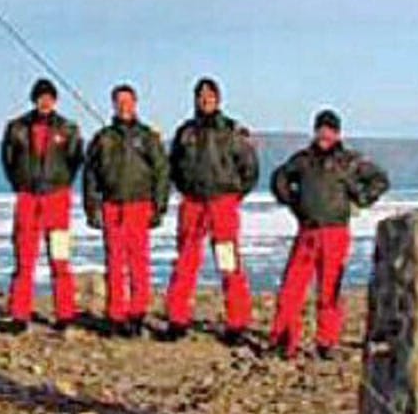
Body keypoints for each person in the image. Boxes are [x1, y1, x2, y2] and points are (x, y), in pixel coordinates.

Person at [267, 109, 390, 360]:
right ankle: (283, 339)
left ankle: (327, 341)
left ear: (337, 133)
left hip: (335, 232)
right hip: (308, 231)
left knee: (330, 289)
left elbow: (380, 180)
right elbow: (279, 177)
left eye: (330, 130)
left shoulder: (349, 161)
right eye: (321, 129)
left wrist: (362, 199)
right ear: (315, 131)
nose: (325, 134)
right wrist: (292, 201)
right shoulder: (303, 160)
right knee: (292, 286)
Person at [161, 76, 258, 343]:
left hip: (221, 202)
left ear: (218, 99)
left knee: (228, 261)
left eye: (210, 97)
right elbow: (174, 166)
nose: (206, 101)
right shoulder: (185, 132)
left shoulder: (231, 131)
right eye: (201, 96)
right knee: (185, 261)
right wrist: (183, 188)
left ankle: (237, 323)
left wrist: (235, 194)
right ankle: (177, 319)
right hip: (192, 202)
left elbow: (249, 167)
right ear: (195, 99)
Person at [0, 78, 86, 333]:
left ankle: (65, 313)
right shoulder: (16, 128)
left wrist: (61, 183)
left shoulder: (68, 128)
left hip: (57, 199)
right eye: (40, 97)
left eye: (49, 97)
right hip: (27, 198)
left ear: (55, 100)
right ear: (34, 99)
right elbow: (9, 159)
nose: (44, 102)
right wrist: (20, 183)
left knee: (59, 257)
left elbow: (75, 159)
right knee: (24, 258)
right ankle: (19, 313)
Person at [82, 83, 170, 337]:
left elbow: (162, 172)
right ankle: (116, 314)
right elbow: (90, 174)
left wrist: (159, 205)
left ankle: (137, 313)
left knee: (139, 262)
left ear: (136, 103)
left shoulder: (148, 137)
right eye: (119, 102)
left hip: (140, 205)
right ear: (113, 105)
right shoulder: (103, 138)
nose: (124, 106)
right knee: (114, 262)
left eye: (128, 101)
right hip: (112, 205)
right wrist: (92, 206)